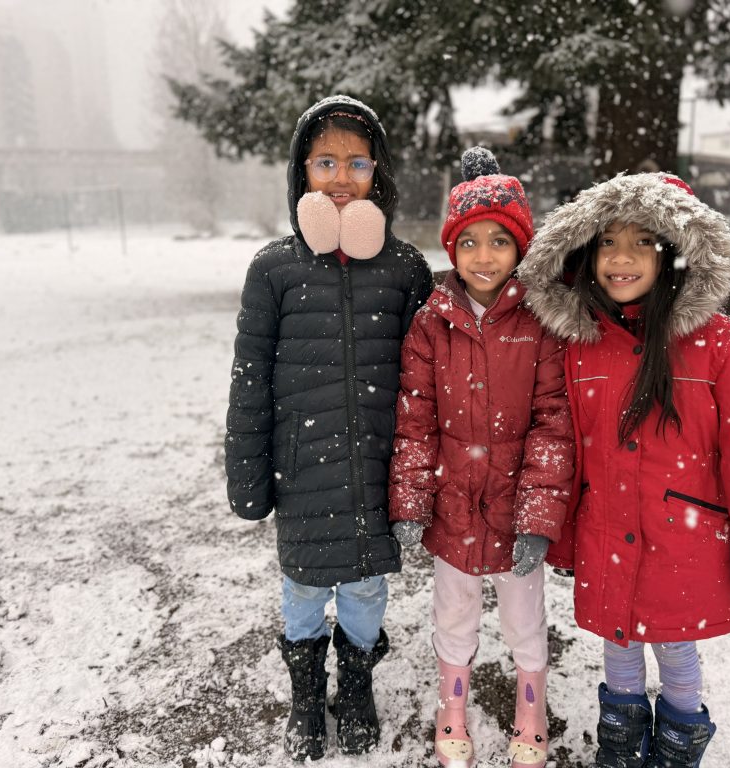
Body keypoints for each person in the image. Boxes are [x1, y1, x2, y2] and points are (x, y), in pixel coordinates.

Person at [519, 172, 730, 767]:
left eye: (642, 242)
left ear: (673, 253)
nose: (621, 258)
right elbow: (571, 452)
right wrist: (567, 541)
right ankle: (622, 741)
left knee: (676, 651)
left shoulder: (717, 344)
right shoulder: (581, 345)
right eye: (608, 242)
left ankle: (678, 744)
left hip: (683, 543)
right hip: (607, 536)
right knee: (618, 646)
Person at [224, 94, 433, 762]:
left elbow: (429, 378)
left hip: (376, 466)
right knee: (306, 585)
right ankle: (308, 693)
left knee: (367, 584)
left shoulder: (404, 268)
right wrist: (247, 475)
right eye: (325, 162)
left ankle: (358, 684)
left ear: (379, 173)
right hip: (302, 468)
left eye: (358, 162)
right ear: (302, 172)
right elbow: (249, 380)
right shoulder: (274, 269)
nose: (342, 177)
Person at [389, 147, 575, 768]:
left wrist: (538, 517)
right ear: (452, 249)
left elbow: (553, 425)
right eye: (469, 242)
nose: (484, 256)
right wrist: (411, 502)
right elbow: (415, 422)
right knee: (455, 613)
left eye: (499, 241)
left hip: (516, 509)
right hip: (453, 507)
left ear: (520, 248)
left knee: (524, 618)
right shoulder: (430, 323)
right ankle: (453, 706)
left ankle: (531, 707)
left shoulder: (540, 323)